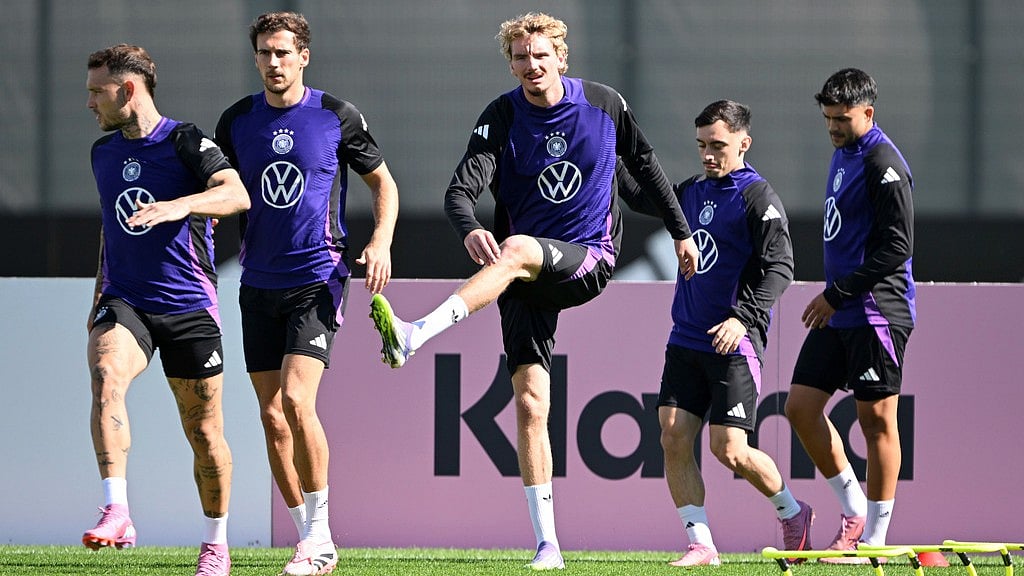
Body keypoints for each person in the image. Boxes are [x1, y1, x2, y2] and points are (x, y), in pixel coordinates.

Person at [369, 12, 698, 570]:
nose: (531, 65)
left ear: (561, 58)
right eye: (520, 57)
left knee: (517, 246)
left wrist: (680, 231)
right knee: (529, 404)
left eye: (541, 55)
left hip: (587, 259)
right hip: (523, 281)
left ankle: (416, 331)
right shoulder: (501, 115)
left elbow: (647, 167)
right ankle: (548, 544)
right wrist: (471, 227)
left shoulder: (603, 104)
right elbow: (459, 191)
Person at [215, 11, 399, 576]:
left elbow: (383, 183)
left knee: (297, 401)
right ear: (256, 59)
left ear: (304, 57)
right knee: (272, 417)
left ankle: (319, 536)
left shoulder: (336, 116)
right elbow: (218, 190)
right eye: (265, 53)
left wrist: (381, 242)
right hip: (257, 283)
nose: (274, 62)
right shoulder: (237, 121)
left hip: (317, 279)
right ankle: (309, 540)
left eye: (283, 52)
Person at [617, 100, 809, 567]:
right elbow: (643, 198)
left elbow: (781, 268)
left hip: (733, 342)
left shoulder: (758, 198)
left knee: (730, 450)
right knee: (672, 435)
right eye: (701, 145)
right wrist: (609, 150)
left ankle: (793, 511)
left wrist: (742, 317)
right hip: (685, 339)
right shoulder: (693, 192)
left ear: (743, 143)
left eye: (717, 146)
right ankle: (701, 543)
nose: (707, 154)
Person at [83, 44, 249, 576]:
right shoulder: (103, 153)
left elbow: (236, 194)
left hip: (188, 305)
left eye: (96, 92)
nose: (89, 103)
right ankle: (117, 510)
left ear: (127, 90)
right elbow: (111, 230)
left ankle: (215, 543)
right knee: (106, 375)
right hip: (126, 300)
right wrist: (97, 299)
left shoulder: (186, 142)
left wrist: (179, 205)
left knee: (204, 434)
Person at [784, 68, 916, 563]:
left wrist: (835, 294)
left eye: (842, 118)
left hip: (876, 311)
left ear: (868, 112)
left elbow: (896, 249)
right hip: (841, 309)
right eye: (828, 118)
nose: (834, 127)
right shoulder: (844, 153)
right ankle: (854, 509)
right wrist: (836, 299)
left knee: (876, 420)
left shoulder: (884, 163)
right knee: (799, 407)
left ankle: (876, 538)